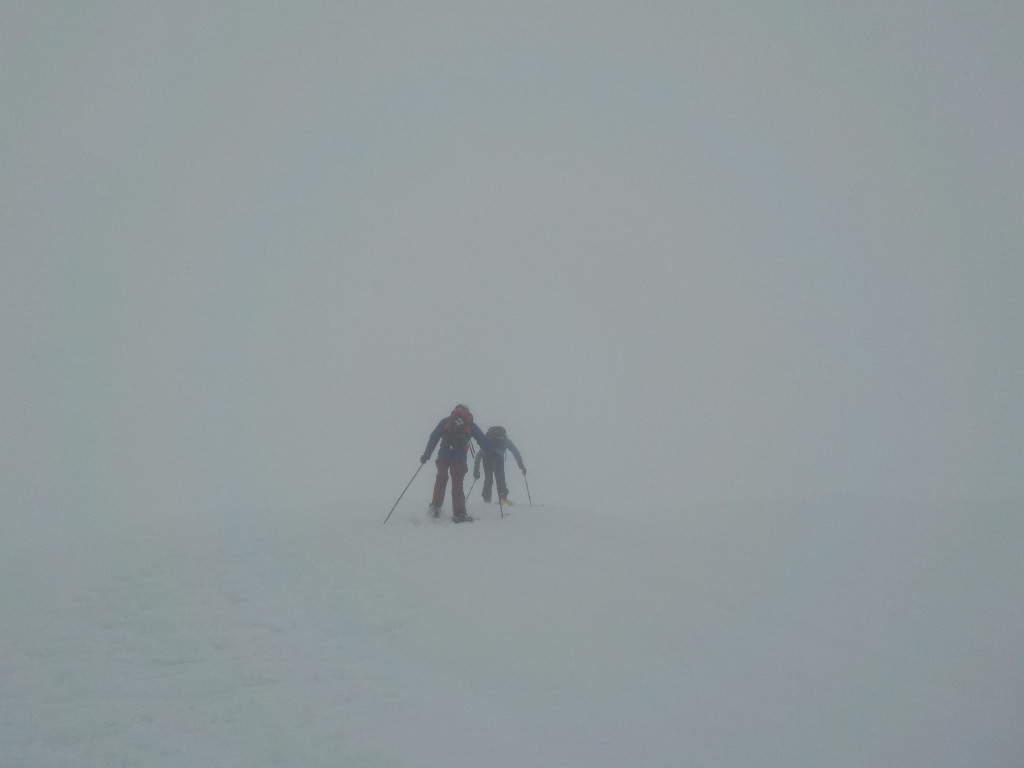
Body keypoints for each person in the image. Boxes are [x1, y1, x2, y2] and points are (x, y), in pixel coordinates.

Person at [421, 404, 491, 523]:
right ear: (467, 411)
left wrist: (427, 454)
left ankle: (435, 508)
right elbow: (481, 439)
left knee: (441, 480)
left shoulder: (447, 420)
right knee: (457, 485)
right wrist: (492, 452)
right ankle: (459, 514)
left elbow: (434, 436)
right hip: (459, 458)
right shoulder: (469, 423)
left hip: (443, 455)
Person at [473, 425, 526, 505]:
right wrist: (521, 466)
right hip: (498, 458)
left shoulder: (488, 441)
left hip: (486, 457)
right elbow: (516, 452)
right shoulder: (505, 440)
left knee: (488, 478)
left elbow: (478, 456)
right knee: (500, 478)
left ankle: (486, 500)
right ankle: (503, 499)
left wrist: (476, 470)